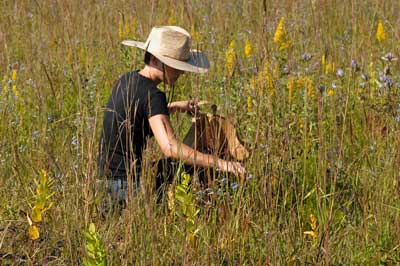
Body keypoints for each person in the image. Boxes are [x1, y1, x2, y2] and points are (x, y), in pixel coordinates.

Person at [98, 26, 245, 205]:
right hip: (126, 186)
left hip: (105, 178)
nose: (181, 72)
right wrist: (220, 163)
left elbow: (137, 114)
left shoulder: (127, 79)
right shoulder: (154, 95)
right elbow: (170, 147)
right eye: (176, 66)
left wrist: (175, 107)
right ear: (154, 60)